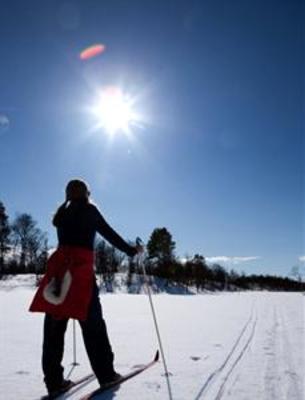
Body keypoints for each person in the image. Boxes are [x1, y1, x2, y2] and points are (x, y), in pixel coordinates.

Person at [29, 179, 142, 396]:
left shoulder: (62, 214)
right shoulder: (90, 210)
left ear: (68, 195)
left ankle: (54, 382)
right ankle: (107, 375)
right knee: (93, 327)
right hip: (79, 274)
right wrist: (131, 250)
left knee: (53, 329)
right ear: (87, 194)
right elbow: (110, 235)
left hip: (59, 274)